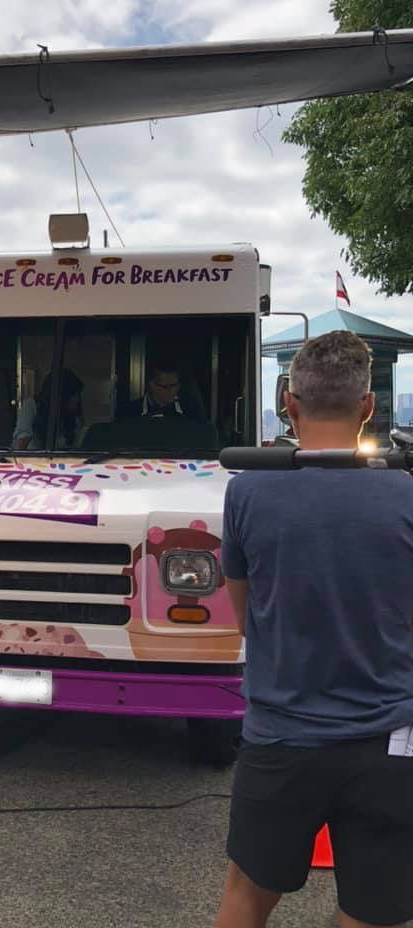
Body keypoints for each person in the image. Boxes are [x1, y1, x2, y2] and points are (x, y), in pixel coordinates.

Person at [215, 330, 413, 928]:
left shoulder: (248, 491)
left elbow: (244, 616)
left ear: (289, 403)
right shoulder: (407, 494)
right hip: (389, 743)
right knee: (374, 915)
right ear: (369, 406)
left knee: (246, 899)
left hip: (281, 739)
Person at [12, 370, 84, 450]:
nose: (77, 400)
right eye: (74, 395)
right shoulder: (32, 406)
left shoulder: (73, 420)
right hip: (31, 460)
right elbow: (23, 440)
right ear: (64, 395)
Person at [121, 362, 206, 422]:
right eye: (165, 387)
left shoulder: (191, 411)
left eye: (174, 385)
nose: (172, 391)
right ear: (152, 385)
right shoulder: (130, 412)